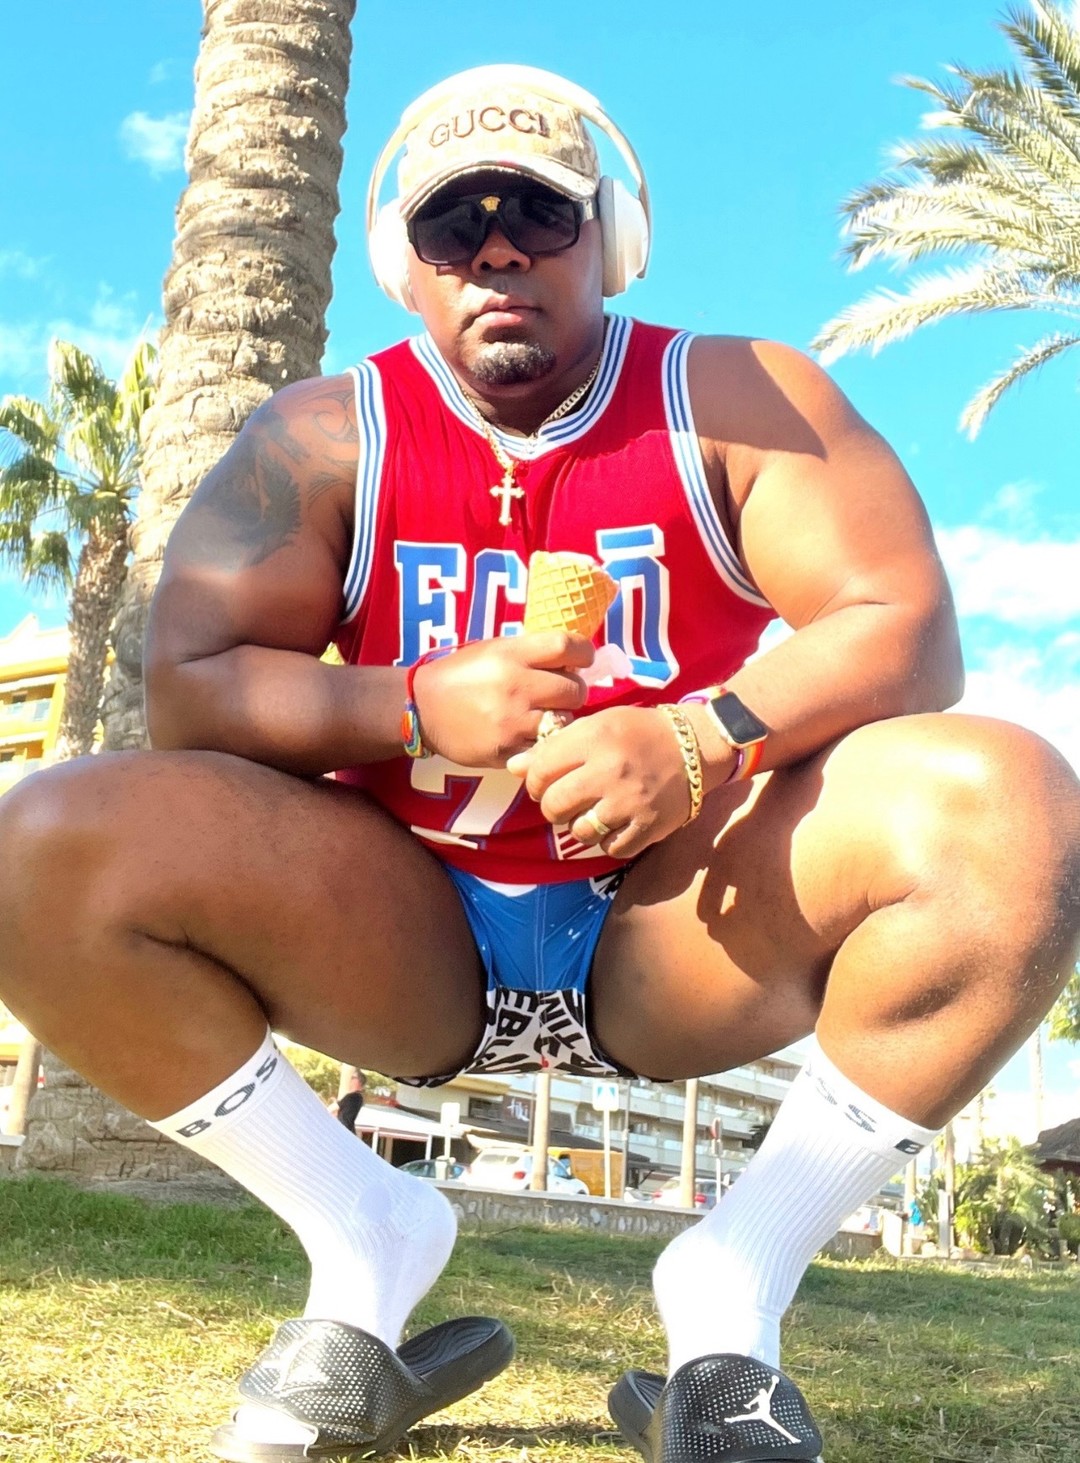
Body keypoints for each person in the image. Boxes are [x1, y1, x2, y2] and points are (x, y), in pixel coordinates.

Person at [0, 61, 1077, 1463]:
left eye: (539, 213)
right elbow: (190, 686)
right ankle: (363, 1231)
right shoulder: (322, 434)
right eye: (457, 223)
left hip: (673, 924)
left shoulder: (732, 393)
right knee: (41, 843)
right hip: (406, 923)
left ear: (610, 238)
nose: (498, 250)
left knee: (1009, 808)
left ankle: (733, 1282)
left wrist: (703, 732)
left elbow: (906, 624)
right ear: (405, 262)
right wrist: (406, 705)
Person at [329, 1069, 365, 1133]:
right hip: (346, 1130)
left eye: (353, 1077)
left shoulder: (353, 1096)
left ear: (358, 1081)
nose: (351, 1080)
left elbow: (332, 1108)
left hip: (343, 1130)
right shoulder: (358, 1097)